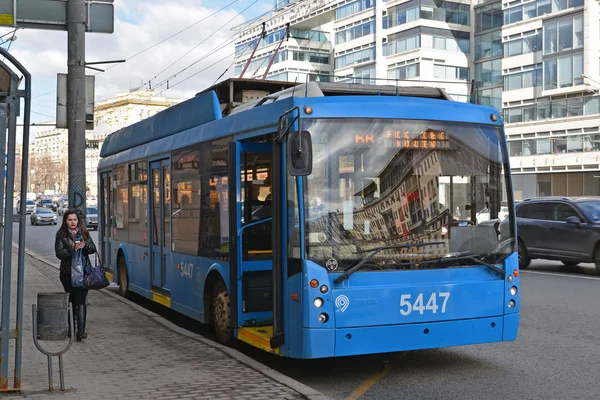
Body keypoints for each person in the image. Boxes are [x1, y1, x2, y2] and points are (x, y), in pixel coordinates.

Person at [55, 210, 97, 341]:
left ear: (78, 220)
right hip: (67, 273)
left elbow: (92, 248)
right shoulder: (61, 234)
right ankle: (71, 328)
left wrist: (84, 246)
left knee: (80, 301)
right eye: (70, 220)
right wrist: (72, 248)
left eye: (74, 220)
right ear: (65, 221)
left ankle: (81, 331)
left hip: (83, 273)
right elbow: (59, 253)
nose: (73, 222)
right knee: (71, 300)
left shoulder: (83, 232)